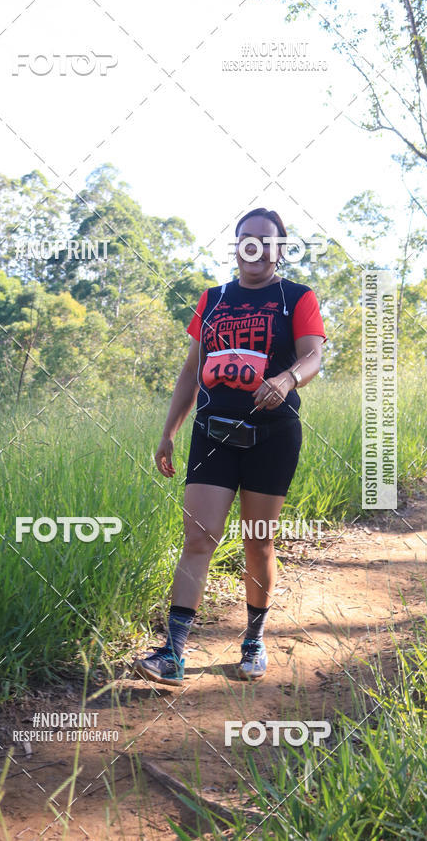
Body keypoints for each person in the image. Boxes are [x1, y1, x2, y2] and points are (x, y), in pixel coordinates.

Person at [133, 207, 326, 686]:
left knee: (258, 540)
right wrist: (168, 431)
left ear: (280, 249)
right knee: (199, 539)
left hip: (273, 435)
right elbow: (190, 370)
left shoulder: (296, 297)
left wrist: (286, 379)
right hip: (212, 432)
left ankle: (253, 640)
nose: (255, 247)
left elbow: (314, 355)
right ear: (236, 245)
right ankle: (173, 653)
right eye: (246, 239)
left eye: (266, 240)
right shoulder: (214, 299)